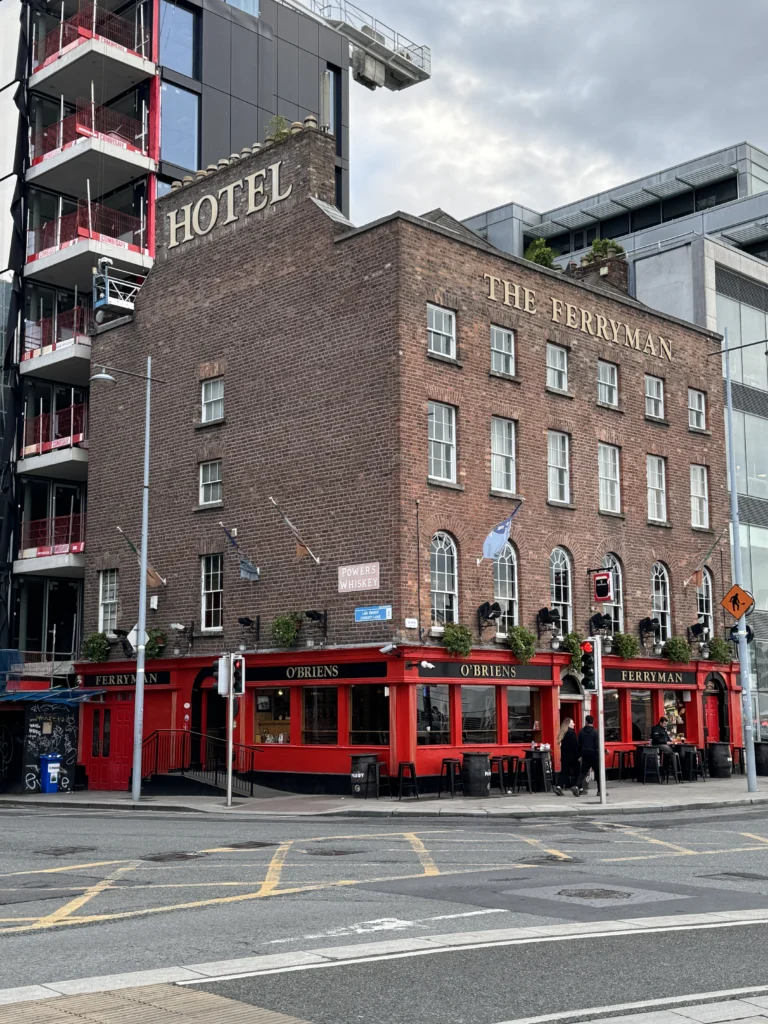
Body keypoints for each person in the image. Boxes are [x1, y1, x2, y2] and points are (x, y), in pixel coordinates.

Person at [572, 715, 601, 797]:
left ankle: (576, 786)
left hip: (585, 754)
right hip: (594, 754)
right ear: (593, 722)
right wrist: (604, 751)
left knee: (583, 772)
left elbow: (579, 745)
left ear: (586, 722)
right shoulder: (596, 732)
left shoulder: (581, 732)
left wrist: (579, 755)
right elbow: (597, 744)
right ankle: (600, 791)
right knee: (598, 772)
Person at [553, 718, 580, 796]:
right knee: (578, 772)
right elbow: (575, 746)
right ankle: (577, 787)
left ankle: (558, 786)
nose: (574, 724)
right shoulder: (572, 733)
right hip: (572, 756)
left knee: (564, 772)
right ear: (568, 724)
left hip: (564, 756)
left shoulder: (563, 733)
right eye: (572, 723)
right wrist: (578, 755)